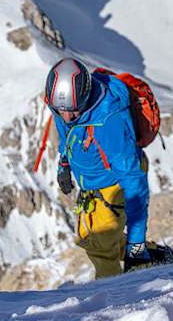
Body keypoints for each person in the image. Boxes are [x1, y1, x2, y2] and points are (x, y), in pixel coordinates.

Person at [44, 57, 157, 277]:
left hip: (115, 183)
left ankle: (113, 295)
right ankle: (155, 256)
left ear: (85, 96)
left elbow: (134, 184)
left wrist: (136, 249)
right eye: (60, 110)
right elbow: (67, 132)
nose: (66, 117)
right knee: (92, 237)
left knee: (100, 248)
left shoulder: (109, 121)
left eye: (72, 111)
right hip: (95, 182)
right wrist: (64, 163)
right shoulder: (64, 105)